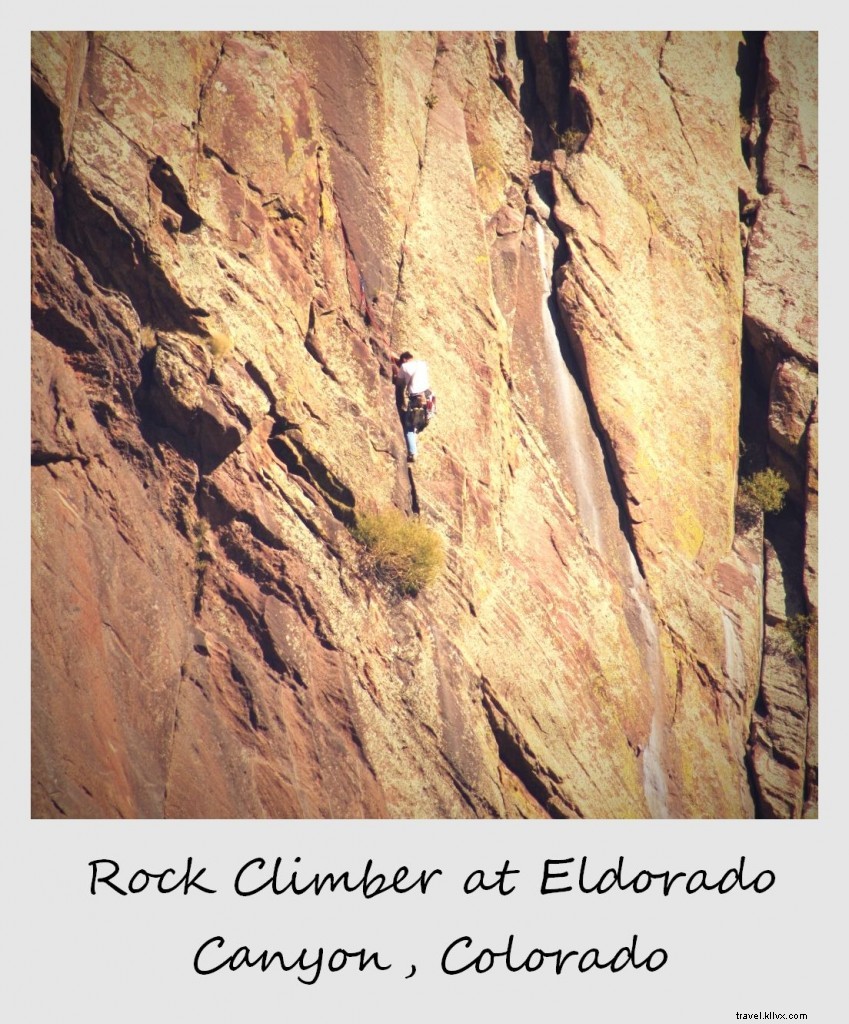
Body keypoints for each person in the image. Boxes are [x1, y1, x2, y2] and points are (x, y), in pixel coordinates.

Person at [393, 351, 434, 463]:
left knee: (409, 427)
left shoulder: (404, 367)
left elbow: (400, 386)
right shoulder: (422, 363)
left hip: (417, 400)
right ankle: (414, 442)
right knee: (422, 422)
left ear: (404, 360)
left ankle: (412, 452)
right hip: (429, 397)